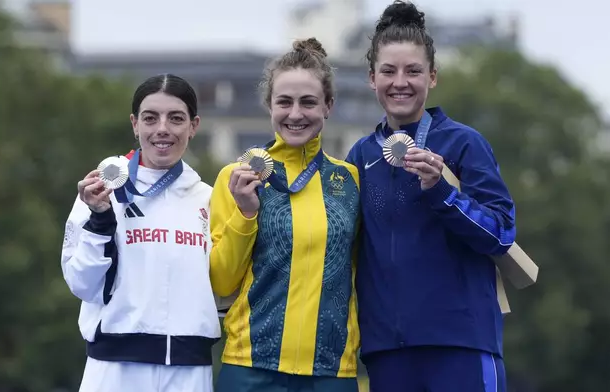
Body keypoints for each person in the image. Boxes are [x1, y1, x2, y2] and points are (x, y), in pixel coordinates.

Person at [345, 2, 514, 391]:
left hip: (461, 344)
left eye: (413, 71)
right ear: (371, 78)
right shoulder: (359, 156)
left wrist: (442, 192)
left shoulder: (463, 143)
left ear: (432, 77)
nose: (400, 82)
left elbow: (502, 234)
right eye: (388, 71)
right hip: (387, 350)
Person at [209, 37, 361, 392]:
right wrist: (246, 215)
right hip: (251, 367)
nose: (295, 114)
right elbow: (221, 281)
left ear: (329, 106)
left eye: (308, 102)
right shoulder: (237, 176)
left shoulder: (350, 180)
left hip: (332, 371)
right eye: (285, 102)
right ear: (269, 106)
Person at [61, 74, 220, 392]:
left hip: (189, 371)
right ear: (135, 124)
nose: (163, 129)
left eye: (176, 118)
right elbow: (81, 284)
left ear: (193, 126)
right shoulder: (100, 190)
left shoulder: (209, 199)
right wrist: (100, 219)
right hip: (115, 369)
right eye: (150, 118)